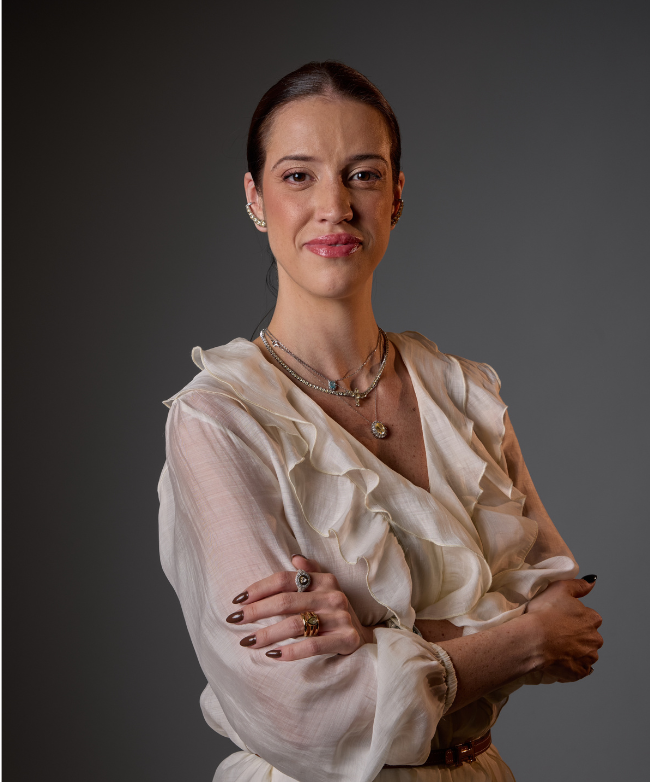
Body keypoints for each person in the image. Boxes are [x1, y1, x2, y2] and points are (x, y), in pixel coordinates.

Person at [158, 61, 603, 782]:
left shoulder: (466, 393)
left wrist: (375, 639)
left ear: (396, 195)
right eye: (298, 176)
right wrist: (520, 641)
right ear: (255, 199)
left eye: (362, 174)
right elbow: (302, 712)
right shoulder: (217, 420)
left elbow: (572, 629)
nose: (333, 206)